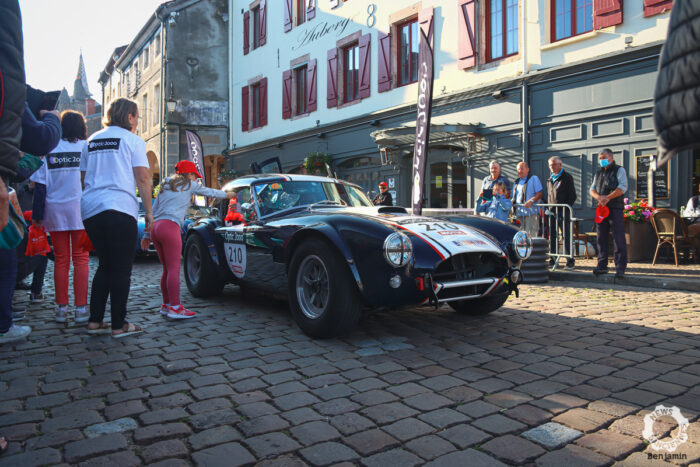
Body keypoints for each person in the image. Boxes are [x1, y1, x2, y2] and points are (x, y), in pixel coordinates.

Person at [81, 98, 153, 338]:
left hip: (91, 209)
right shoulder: (133, 141)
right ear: (130, 117)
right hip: (120, 208)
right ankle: (118, 324)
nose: (137, 121)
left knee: (104, 265)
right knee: (121, 269)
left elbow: (83, 179)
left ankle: (95, 321)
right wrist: (150, 214)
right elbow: (143, 179)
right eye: (137, 116)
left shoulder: (90, 141)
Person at [144, 160, 234, 319]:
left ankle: (166, 305)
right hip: (170, 226)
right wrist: (227, 194)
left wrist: (146, 234)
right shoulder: (189, 184)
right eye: (194, 175)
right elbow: (209, 192)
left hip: (156, 227)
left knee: (166, 269)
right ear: (189, 174)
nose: (195, 179)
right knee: (173, 269)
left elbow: (154, 208)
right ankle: (176, 307)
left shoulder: (165, 184)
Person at [31, 110, 89, 323]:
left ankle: (61, 309)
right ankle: (81, 309)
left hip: (55, 209)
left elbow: (40, 185)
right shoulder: (85, 148)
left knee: (61, 260)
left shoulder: (50, 149)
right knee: (81, 259)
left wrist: (38, 215)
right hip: (80, 209)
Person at [590, 148, 628, 278]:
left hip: (615, 207)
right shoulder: (598, 173)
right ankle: (602, 265)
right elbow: (592, 189)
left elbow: (622, 187)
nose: (602, 160)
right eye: (600, 158)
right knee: (601, 237)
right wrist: (599, 197)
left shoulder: (619, 170)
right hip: (601, 208)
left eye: (604, 157)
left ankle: (620, 267)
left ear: (611, 157)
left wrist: (608, 197)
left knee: (618, 238)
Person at [546, 156, 577, 269]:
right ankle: (553, 259)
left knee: (566, 235)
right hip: (552, 212)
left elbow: (572, 195)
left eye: (554, 164)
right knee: (553, 236)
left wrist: (565, 207)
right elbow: (549, 196)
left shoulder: (566, 177)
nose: (552, 167)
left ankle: (570, 260)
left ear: (560, 165)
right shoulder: (550, 179)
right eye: (550, 165)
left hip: (563, 211)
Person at [512, 161, 543, 237]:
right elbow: (512, 197)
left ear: (527, 169)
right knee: (520, 237)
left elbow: (539, 193)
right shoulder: (516, 182)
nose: (519, 171)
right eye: (518, 169)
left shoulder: (534, 178)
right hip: (519, 214)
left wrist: (531, 201)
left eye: (521, 169)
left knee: (531, 236)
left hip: (531, 213)